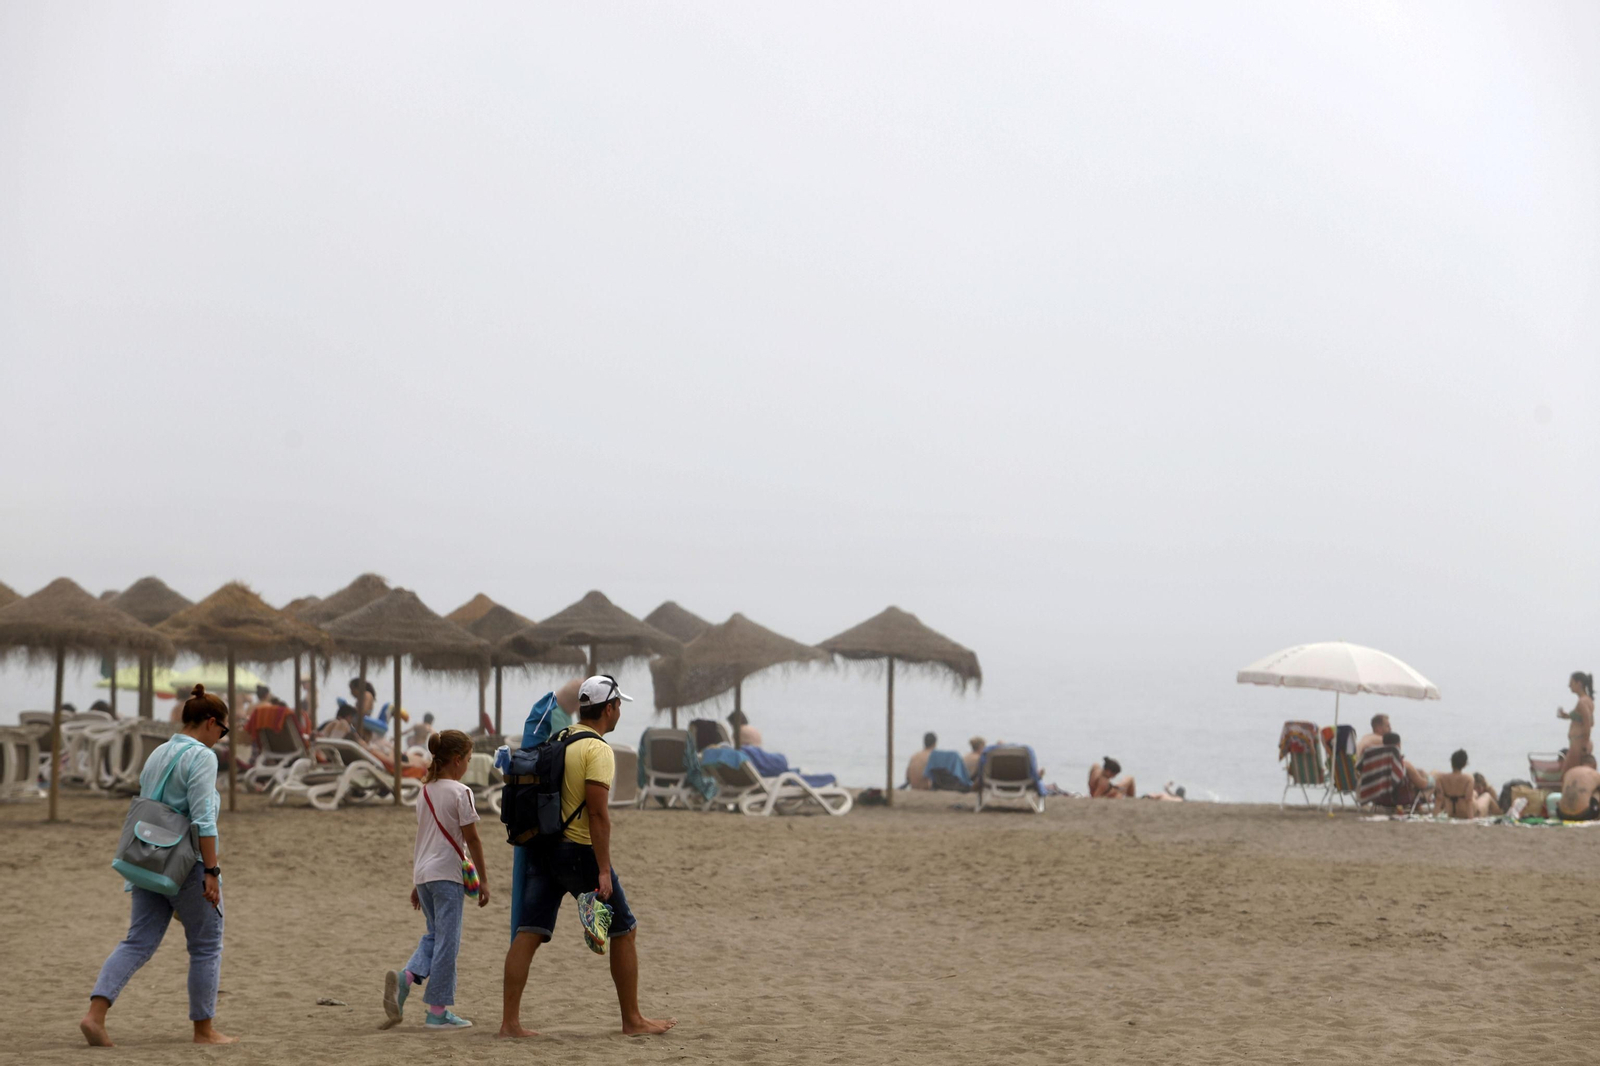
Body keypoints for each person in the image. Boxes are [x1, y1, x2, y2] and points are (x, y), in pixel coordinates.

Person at [500, 675, 674, 1039]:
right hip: (578, 852)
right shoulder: (597, 750)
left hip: (542, 848)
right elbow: (597, 814)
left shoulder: (559, 738)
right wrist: (604, 869)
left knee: (528, 932)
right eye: (619, 705)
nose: (620, 710)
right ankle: (632, 1020)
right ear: (609, 708)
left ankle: (510, 1024)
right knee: (624, 929)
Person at [81, 685, 236, 1047]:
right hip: (186, 863)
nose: (221, 738)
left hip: (148, 860)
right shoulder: (202, 757)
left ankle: (95, 1016)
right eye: (223, 731)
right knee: (206, 945)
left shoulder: (159, 753)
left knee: (137, 941)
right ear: (211, 722)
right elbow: (202, 821)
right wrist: (211, 872)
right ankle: (204, 1031)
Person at [383, 730, 489, 1030]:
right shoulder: (460, 792)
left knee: (434, 934)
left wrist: (418, 882)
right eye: (468, 760)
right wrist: (483, 879)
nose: (468, 765)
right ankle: (437, 1011)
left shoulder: (424, 791)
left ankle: (407, 977)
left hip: (425, 874)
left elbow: (424, 839)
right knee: (448, 942)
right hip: (448, 875)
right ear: (457, 760)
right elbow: (474, 840)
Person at [1557, 671, 1595, 774]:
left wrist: (1584, 744)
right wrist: (1566, 715)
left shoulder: (1582, 702)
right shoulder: (1587, 700)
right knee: (1575, 772)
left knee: (1566, 774)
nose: (1569, 686)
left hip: (1579, 743)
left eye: (1571, 683)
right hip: (1580, 742)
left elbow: (1588, 723)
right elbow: (1589, 721)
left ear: (1579, 683)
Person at [1549, 754, 1600, 821]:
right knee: (1597, 792)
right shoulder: (1595, 774)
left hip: (1561, 814)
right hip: (1583, 815)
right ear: (1595, 764)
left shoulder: (1569, 772)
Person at [1433, 749, 1476, 819]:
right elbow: (1468, 800)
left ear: (1451, 762)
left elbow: (1439, 798)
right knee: (1485, 797)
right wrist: (1471, 819)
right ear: (1464, 764)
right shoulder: (1469, 779)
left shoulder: (1440, 778)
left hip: (1449, 812)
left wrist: (1434, 817)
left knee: (1475, 794)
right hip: (1464, 812)